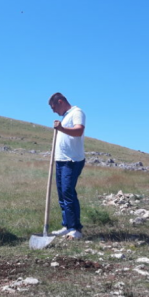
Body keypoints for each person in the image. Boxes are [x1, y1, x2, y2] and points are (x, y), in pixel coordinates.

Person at [48, 93, 86, 240]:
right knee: (62, 195)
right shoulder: (66, 116)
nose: (53, 111)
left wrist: (61, 128)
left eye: (54, 107)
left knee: (68, 193)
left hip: (72, 160)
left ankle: (75, 229)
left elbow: (79, 130)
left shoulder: (77, 112)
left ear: (60, 101)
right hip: (61, 160)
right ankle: (67, 225)